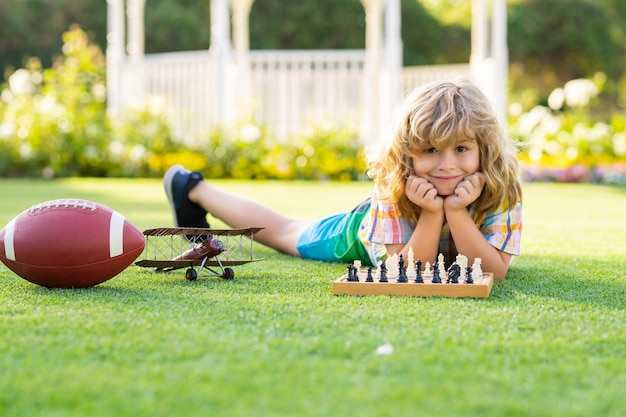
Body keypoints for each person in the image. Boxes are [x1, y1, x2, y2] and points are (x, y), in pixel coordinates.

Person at [164, 78, 522, 279]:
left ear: (483, 149)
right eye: (430, 150)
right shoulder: (394, 187)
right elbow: (409, 271)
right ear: (409, 151)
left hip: (426, 235)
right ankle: (193, 189)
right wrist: (432, 214)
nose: (446, 165)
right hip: (364, 232)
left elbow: (496, 272)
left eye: (461, 149)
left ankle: (195, 191)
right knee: (289, 233)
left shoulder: (499, 187)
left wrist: (457, 213)